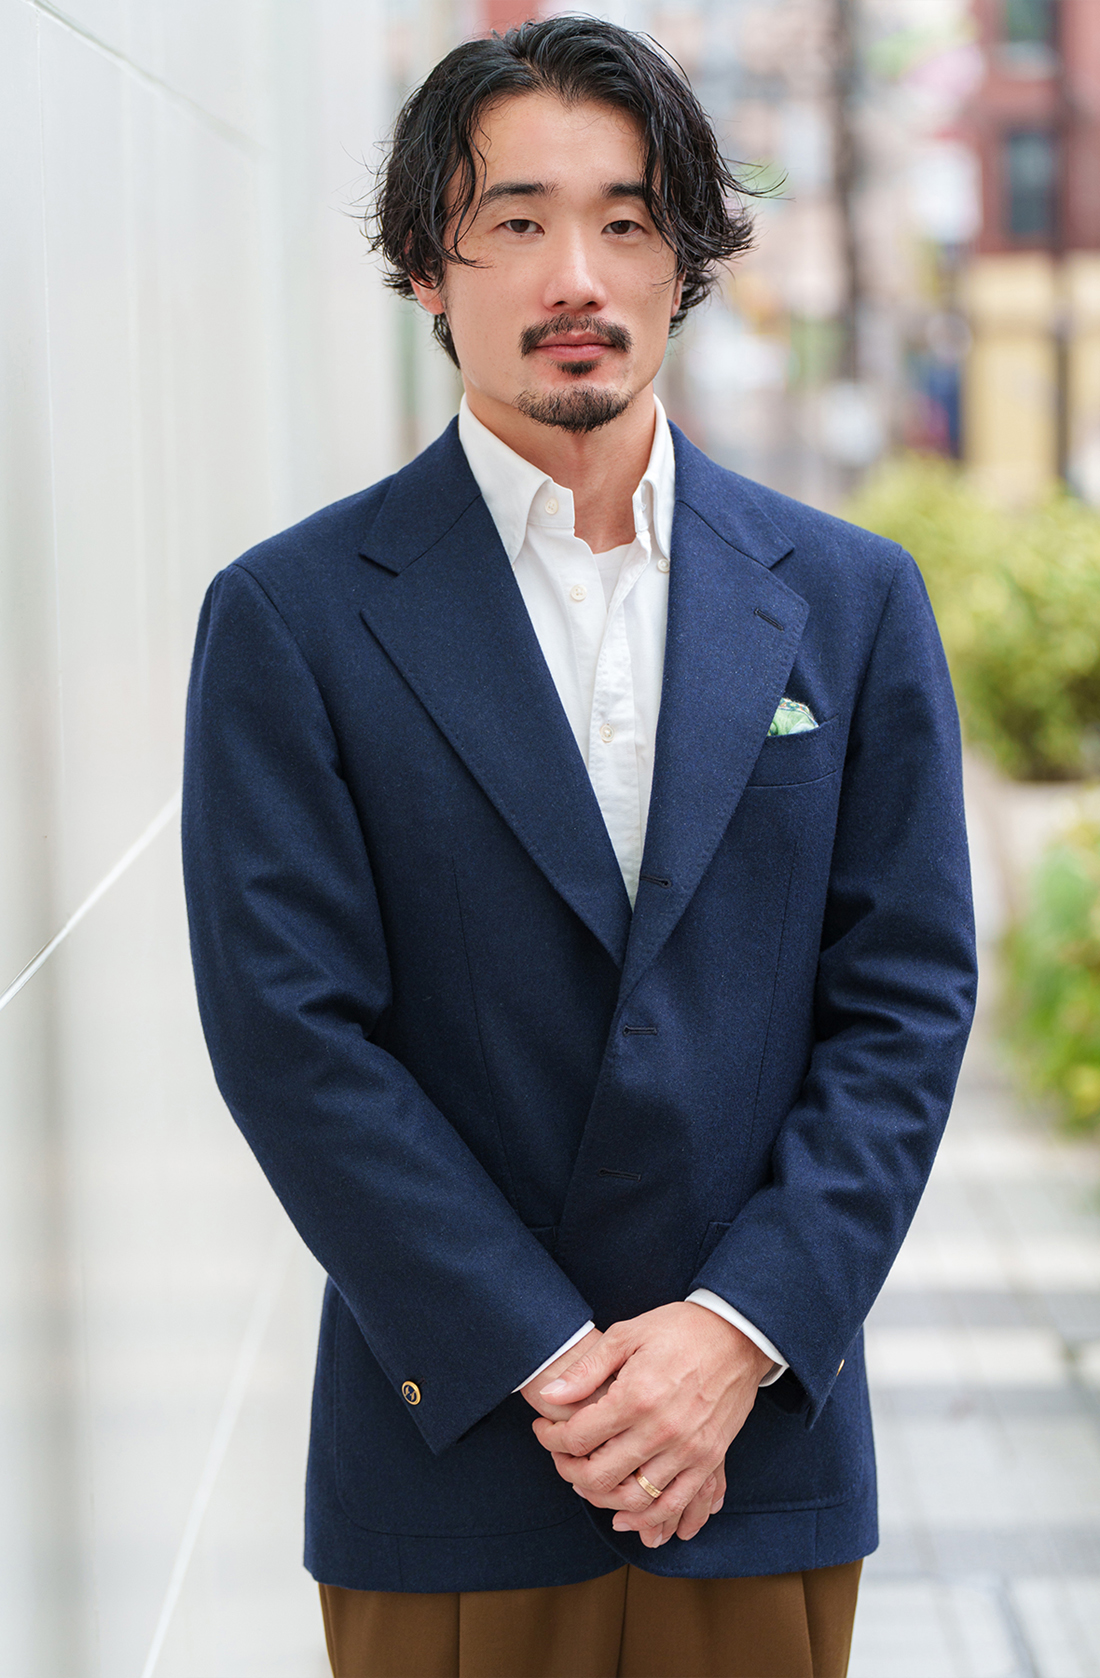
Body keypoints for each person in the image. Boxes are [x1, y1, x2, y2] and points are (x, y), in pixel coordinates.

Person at [182, 17, 976, 1677]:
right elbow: (293, 1036)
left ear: (686, 259)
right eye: (517, 221)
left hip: (752, 1449)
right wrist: (556, 1360)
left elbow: (905, 1002)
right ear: (428, 266)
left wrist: (736, 1334)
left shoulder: (851, 600)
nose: (578, 276)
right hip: (458, 1449)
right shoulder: (292, 617)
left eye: (626, 221)